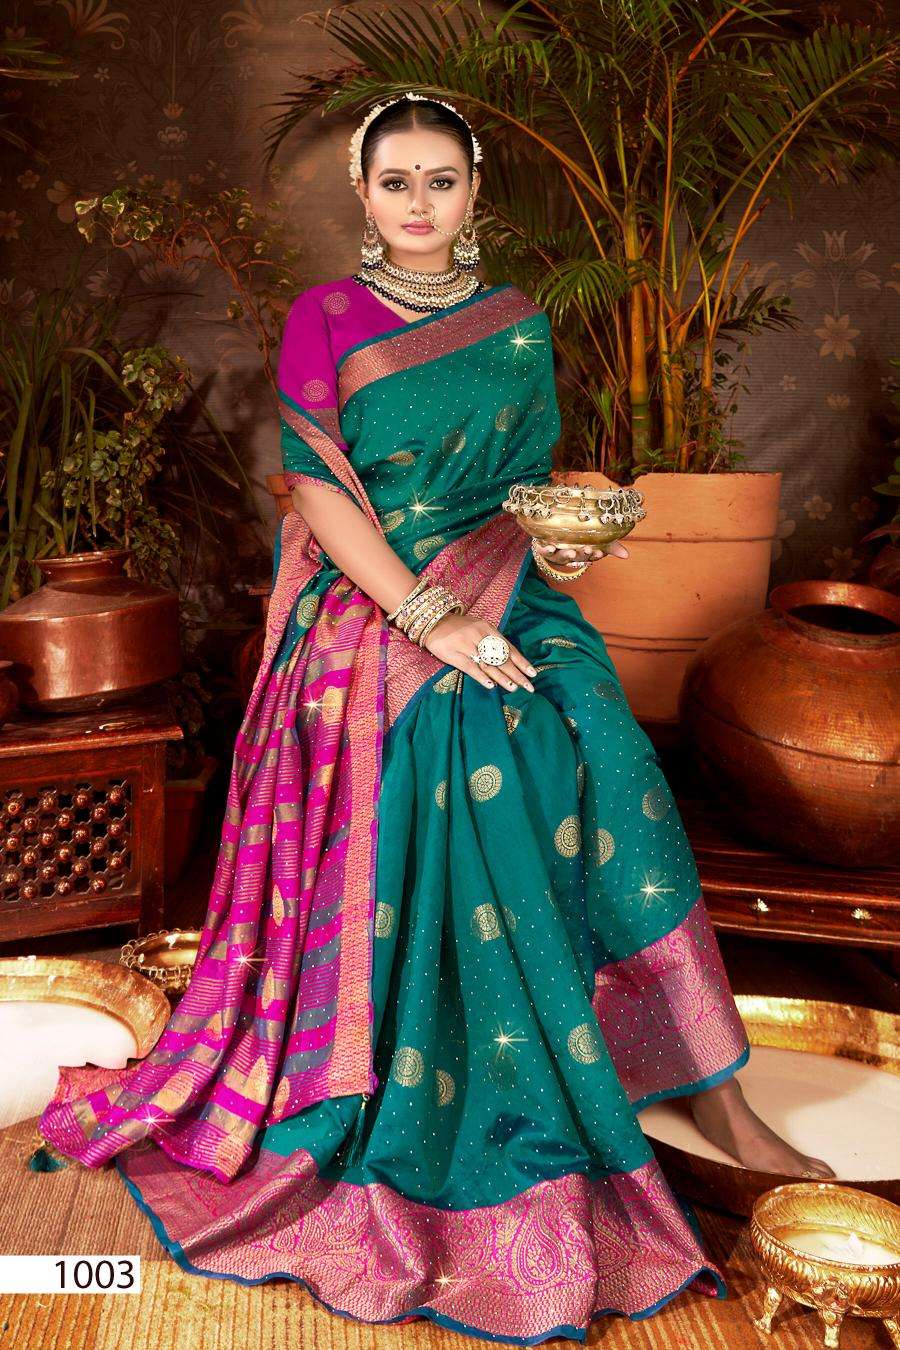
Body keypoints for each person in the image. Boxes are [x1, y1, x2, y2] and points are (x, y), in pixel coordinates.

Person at [34, 91, 834, 1343]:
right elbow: (318, 488)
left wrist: (560, 551)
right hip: (373, 592)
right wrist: (428, 617)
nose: (420, 203)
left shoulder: (517, 321)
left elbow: (522, 485)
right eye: (397, 181)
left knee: (606, 740)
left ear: (473, 191)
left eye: (442, 180)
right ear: (365, 194)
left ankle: (708, 1081)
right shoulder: (327, 317)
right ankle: (487, 1076)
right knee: (468, 739)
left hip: (508, 577)